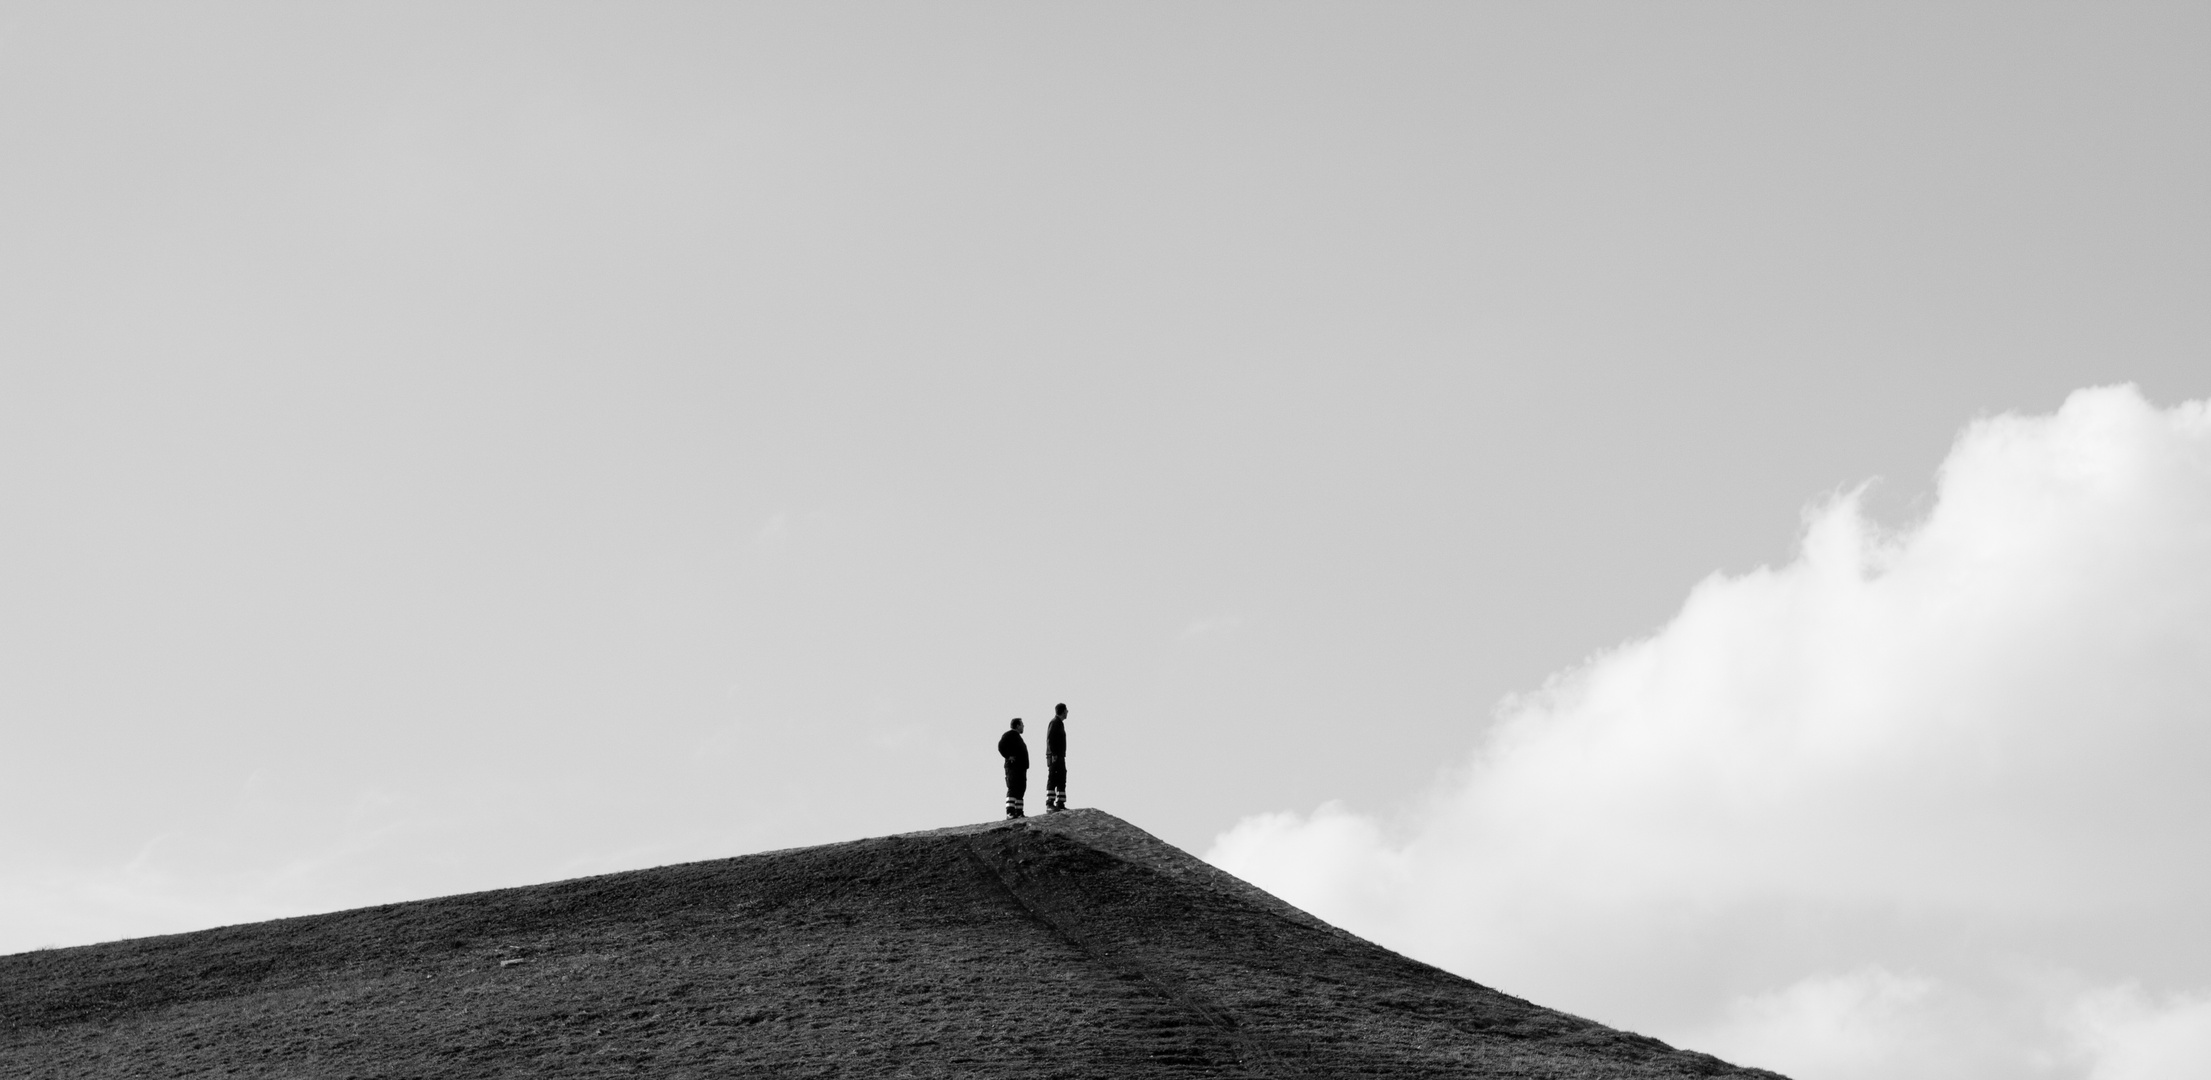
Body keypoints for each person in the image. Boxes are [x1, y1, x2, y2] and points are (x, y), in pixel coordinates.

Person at [998, 718, 1029, 819]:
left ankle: (1019, 812)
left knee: (1021, 789)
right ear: (1017, 725)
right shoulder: (1009, 735)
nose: (1023, 726)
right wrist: (1008, 756)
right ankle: (1010, 812)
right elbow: (1000, 746)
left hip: (1021, 767)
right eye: (1022, 724)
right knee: (1013, 788)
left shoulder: (1017, 737)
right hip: (1013, 767)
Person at [1044, 703, 1068, 812]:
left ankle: (1060, 803)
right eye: (1066, 710)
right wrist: (1053, 754)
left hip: (1060, 756)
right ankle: (1050, 803)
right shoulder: (1054, 723)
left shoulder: (1059, 724)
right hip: (1055, 756)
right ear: (1063, 711)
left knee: (1061, 777)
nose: (1067, 712)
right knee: (1053, 778)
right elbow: (1050, 739)